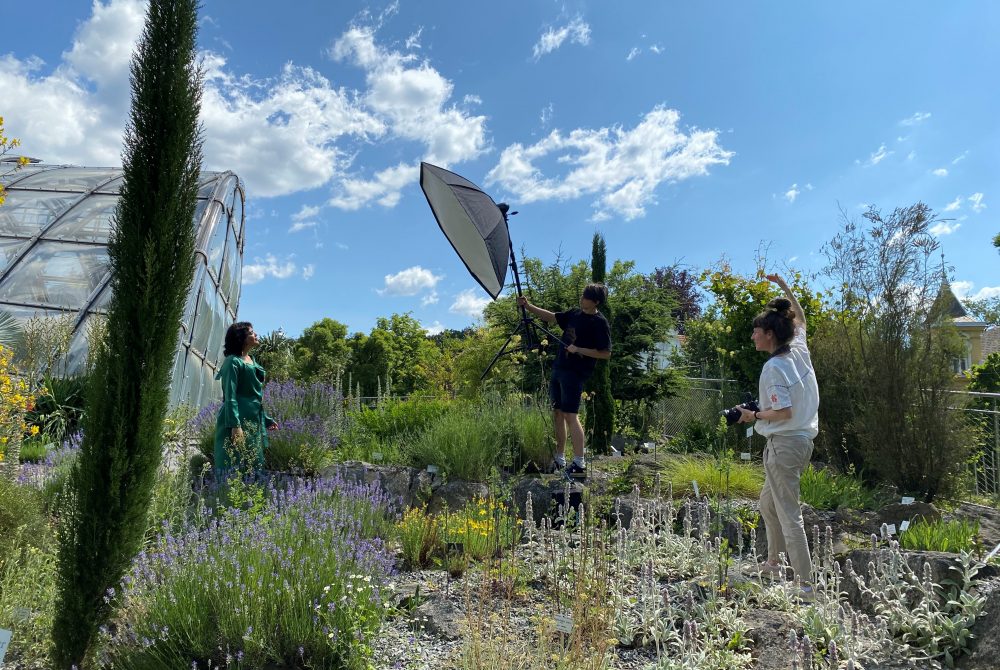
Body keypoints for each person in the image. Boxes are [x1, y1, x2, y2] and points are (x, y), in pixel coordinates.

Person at [738, 274, 820, 594]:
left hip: (784, 444)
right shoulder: (798, 349)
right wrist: (784, 288)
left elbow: (782, 412)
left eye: (756, 331)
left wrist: (752, 415)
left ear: (769, 334)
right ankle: (774, 563)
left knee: (788, 514)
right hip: (799, 443)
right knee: (768, 506)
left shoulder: (773, 368)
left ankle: (806, 585)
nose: (753, 335)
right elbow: (800, 318)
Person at [517, 284, 612, 479]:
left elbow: (606, 353)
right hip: (559, 368)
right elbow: (551, 317)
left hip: (575, 373)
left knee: (571, 415)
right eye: (582, 295)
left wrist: (579, 350)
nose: (582, 298)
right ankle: (560, 459)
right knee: (558, 413)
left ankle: (579, 463)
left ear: (595, 301)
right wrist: (528, 306)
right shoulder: (575, 313)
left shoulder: (599, 323)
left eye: (586, 297)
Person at [214, 321, 278, 476]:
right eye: (251, 333)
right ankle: (225, 497)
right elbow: (230, 396)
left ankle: (250, 498)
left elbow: (254, 396)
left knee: (254, 462)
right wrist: (235, 425)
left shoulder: (252, 361)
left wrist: (266, 419)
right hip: (235, 420)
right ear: (240, 338)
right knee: (233, 463)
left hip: (253, 421)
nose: (255, 334)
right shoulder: (232, 362)